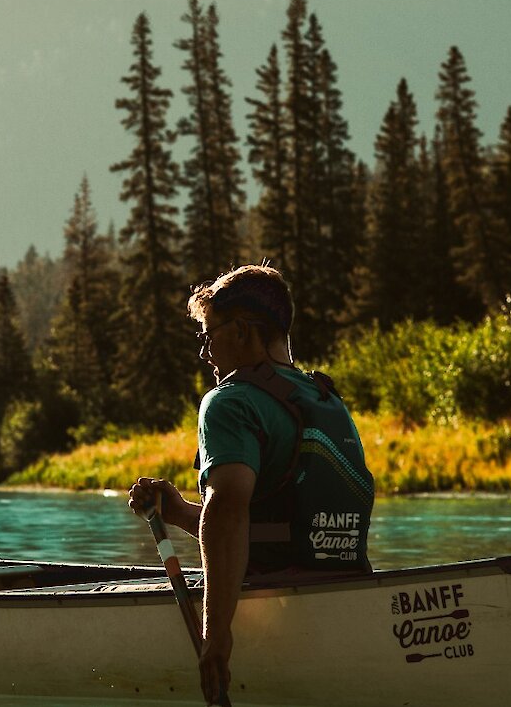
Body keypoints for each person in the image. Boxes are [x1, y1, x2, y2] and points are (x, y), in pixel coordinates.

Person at [128, 264, 375, 702]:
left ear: (242, 331)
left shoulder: (229, 402)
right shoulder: (325, 398)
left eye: (209, 336)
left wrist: (216, 634)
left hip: (274, 594)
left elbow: (227, 514)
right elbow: (266, 518)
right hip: (343, 581)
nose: (205, 354)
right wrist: (181, 512)